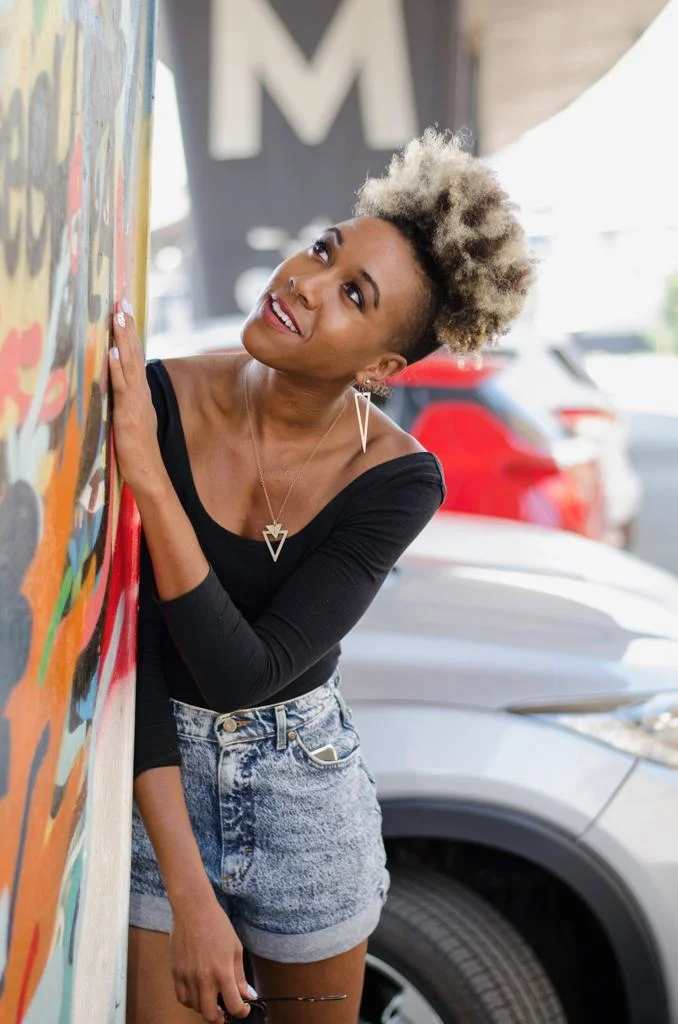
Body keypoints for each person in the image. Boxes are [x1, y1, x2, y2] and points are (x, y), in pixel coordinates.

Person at [111, 129, 534, 1024]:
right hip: (159, 794)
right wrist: (188, 893)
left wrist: (149, 479)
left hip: (303, 799)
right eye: (323, 250)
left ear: (380, 368)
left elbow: (248, 675)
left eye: (353, 294)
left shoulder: (398, 480)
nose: (305, 282)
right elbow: (137, 656)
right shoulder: (160, 400)